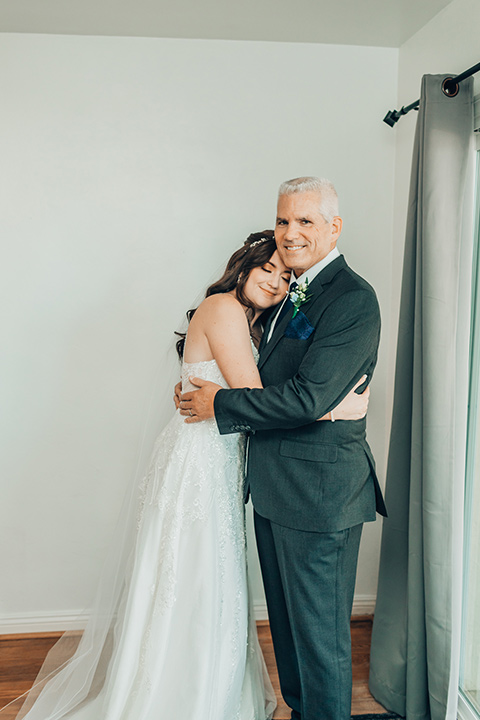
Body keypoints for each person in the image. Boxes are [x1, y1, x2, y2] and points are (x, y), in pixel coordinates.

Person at [7, 230, 367, 720]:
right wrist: (330, 408)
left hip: (222, 461)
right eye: (268, 269)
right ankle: (181, 696)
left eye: (286, 277)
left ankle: (206, 689)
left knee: (208, 578)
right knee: (193, 576)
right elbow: (253, 393)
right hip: (200, 464)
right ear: (243, 267)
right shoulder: (221, 310)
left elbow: (252, 399)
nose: (277, 282)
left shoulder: (251, 320)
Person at [179, 178, 387, 720]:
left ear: (334, 227)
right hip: (273, 488)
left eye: (305, 222)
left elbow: (307, 396)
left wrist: (218, 405)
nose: (290, 234)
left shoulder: (352, 298)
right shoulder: (288, 289)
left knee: (320, 641)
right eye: (282, 221)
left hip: (321, 496)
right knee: (291, 636)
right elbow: (270, 379)